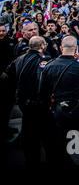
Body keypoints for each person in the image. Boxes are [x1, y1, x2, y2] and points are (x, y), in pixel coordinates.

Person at [39, 36, 79, 165]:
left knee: (59, 140)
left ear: (61, 48)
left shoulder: (49, 66)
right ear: (76, 48)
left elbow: (43, 90)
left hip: (59, 110)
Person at [6, 36, 50, 164]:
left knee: (28, 127)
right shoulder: (43, 60)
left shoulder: (19, 59)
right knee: (40, 131)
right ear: (42, 46)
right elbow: (42, 81)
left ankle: (30, 156)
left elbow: (8, 75)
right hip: (37, 102)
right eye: (45, 44)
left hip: (22, 101)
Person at [0, 23, 16, 144]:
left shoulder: (9, 42)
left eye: (3, 31)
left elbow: (13, 59)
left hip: (9, 79)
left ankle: (6, 126)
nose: (1, 33)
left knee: (8, 105)